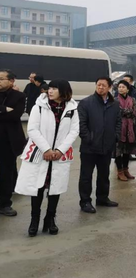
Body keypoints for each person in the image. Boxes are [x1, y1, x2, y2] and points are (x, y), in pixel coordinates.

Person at [15, 80, 79, 236]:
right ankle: (34, 220)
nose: (50, 91)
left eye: (54, 88)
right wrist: (47, 149)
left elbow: (74, 131)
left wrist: (59, 150)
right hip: (41, 154)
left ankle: (50, 219)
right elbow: (32, 129)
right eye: (49, 88)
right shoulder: (39, 107)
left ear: (63, 91)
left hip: (59, 156)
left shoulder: (72, 109)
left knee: (55, 189)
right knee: (38, 188)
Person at [78, 77, 121, 213]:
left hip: (106, 146)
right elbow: (81, 124)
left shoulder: (114, 104)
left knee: (104, 174)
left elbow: (118, 122)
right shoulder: (86, 103)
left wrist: (115, 137)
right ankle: (85, 201)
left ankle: (102, 198)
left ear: (109, 87)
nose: (100, 87)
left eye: (103, 85)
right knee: (86, 176)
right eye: (98, 85)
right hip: (89, 147)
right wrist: (88, 138)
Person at [0, 69, 26, 217]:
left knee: (6, 173)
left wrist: (5, 113)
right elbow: (9, 114)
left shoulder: (19, 96)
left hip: (9, 142)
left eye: (2, 79)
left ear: (11, 81)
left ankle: (5, 204)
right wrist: (4, 109)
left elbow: (16, 115)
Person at [114, 80, 136, 181]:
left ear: (128, 89)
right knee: (118, 151)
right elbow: (118, 112)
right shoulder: (114, 100)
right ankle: (120, 171)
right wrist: (129, 111)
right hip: (119, 128)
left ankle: (126, 170)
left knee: (127, 151)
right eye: (119, 87)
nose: (121, 88)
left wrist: (126, 111)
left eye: (123, 87)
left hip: (130, 129)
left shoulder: (132, 99)